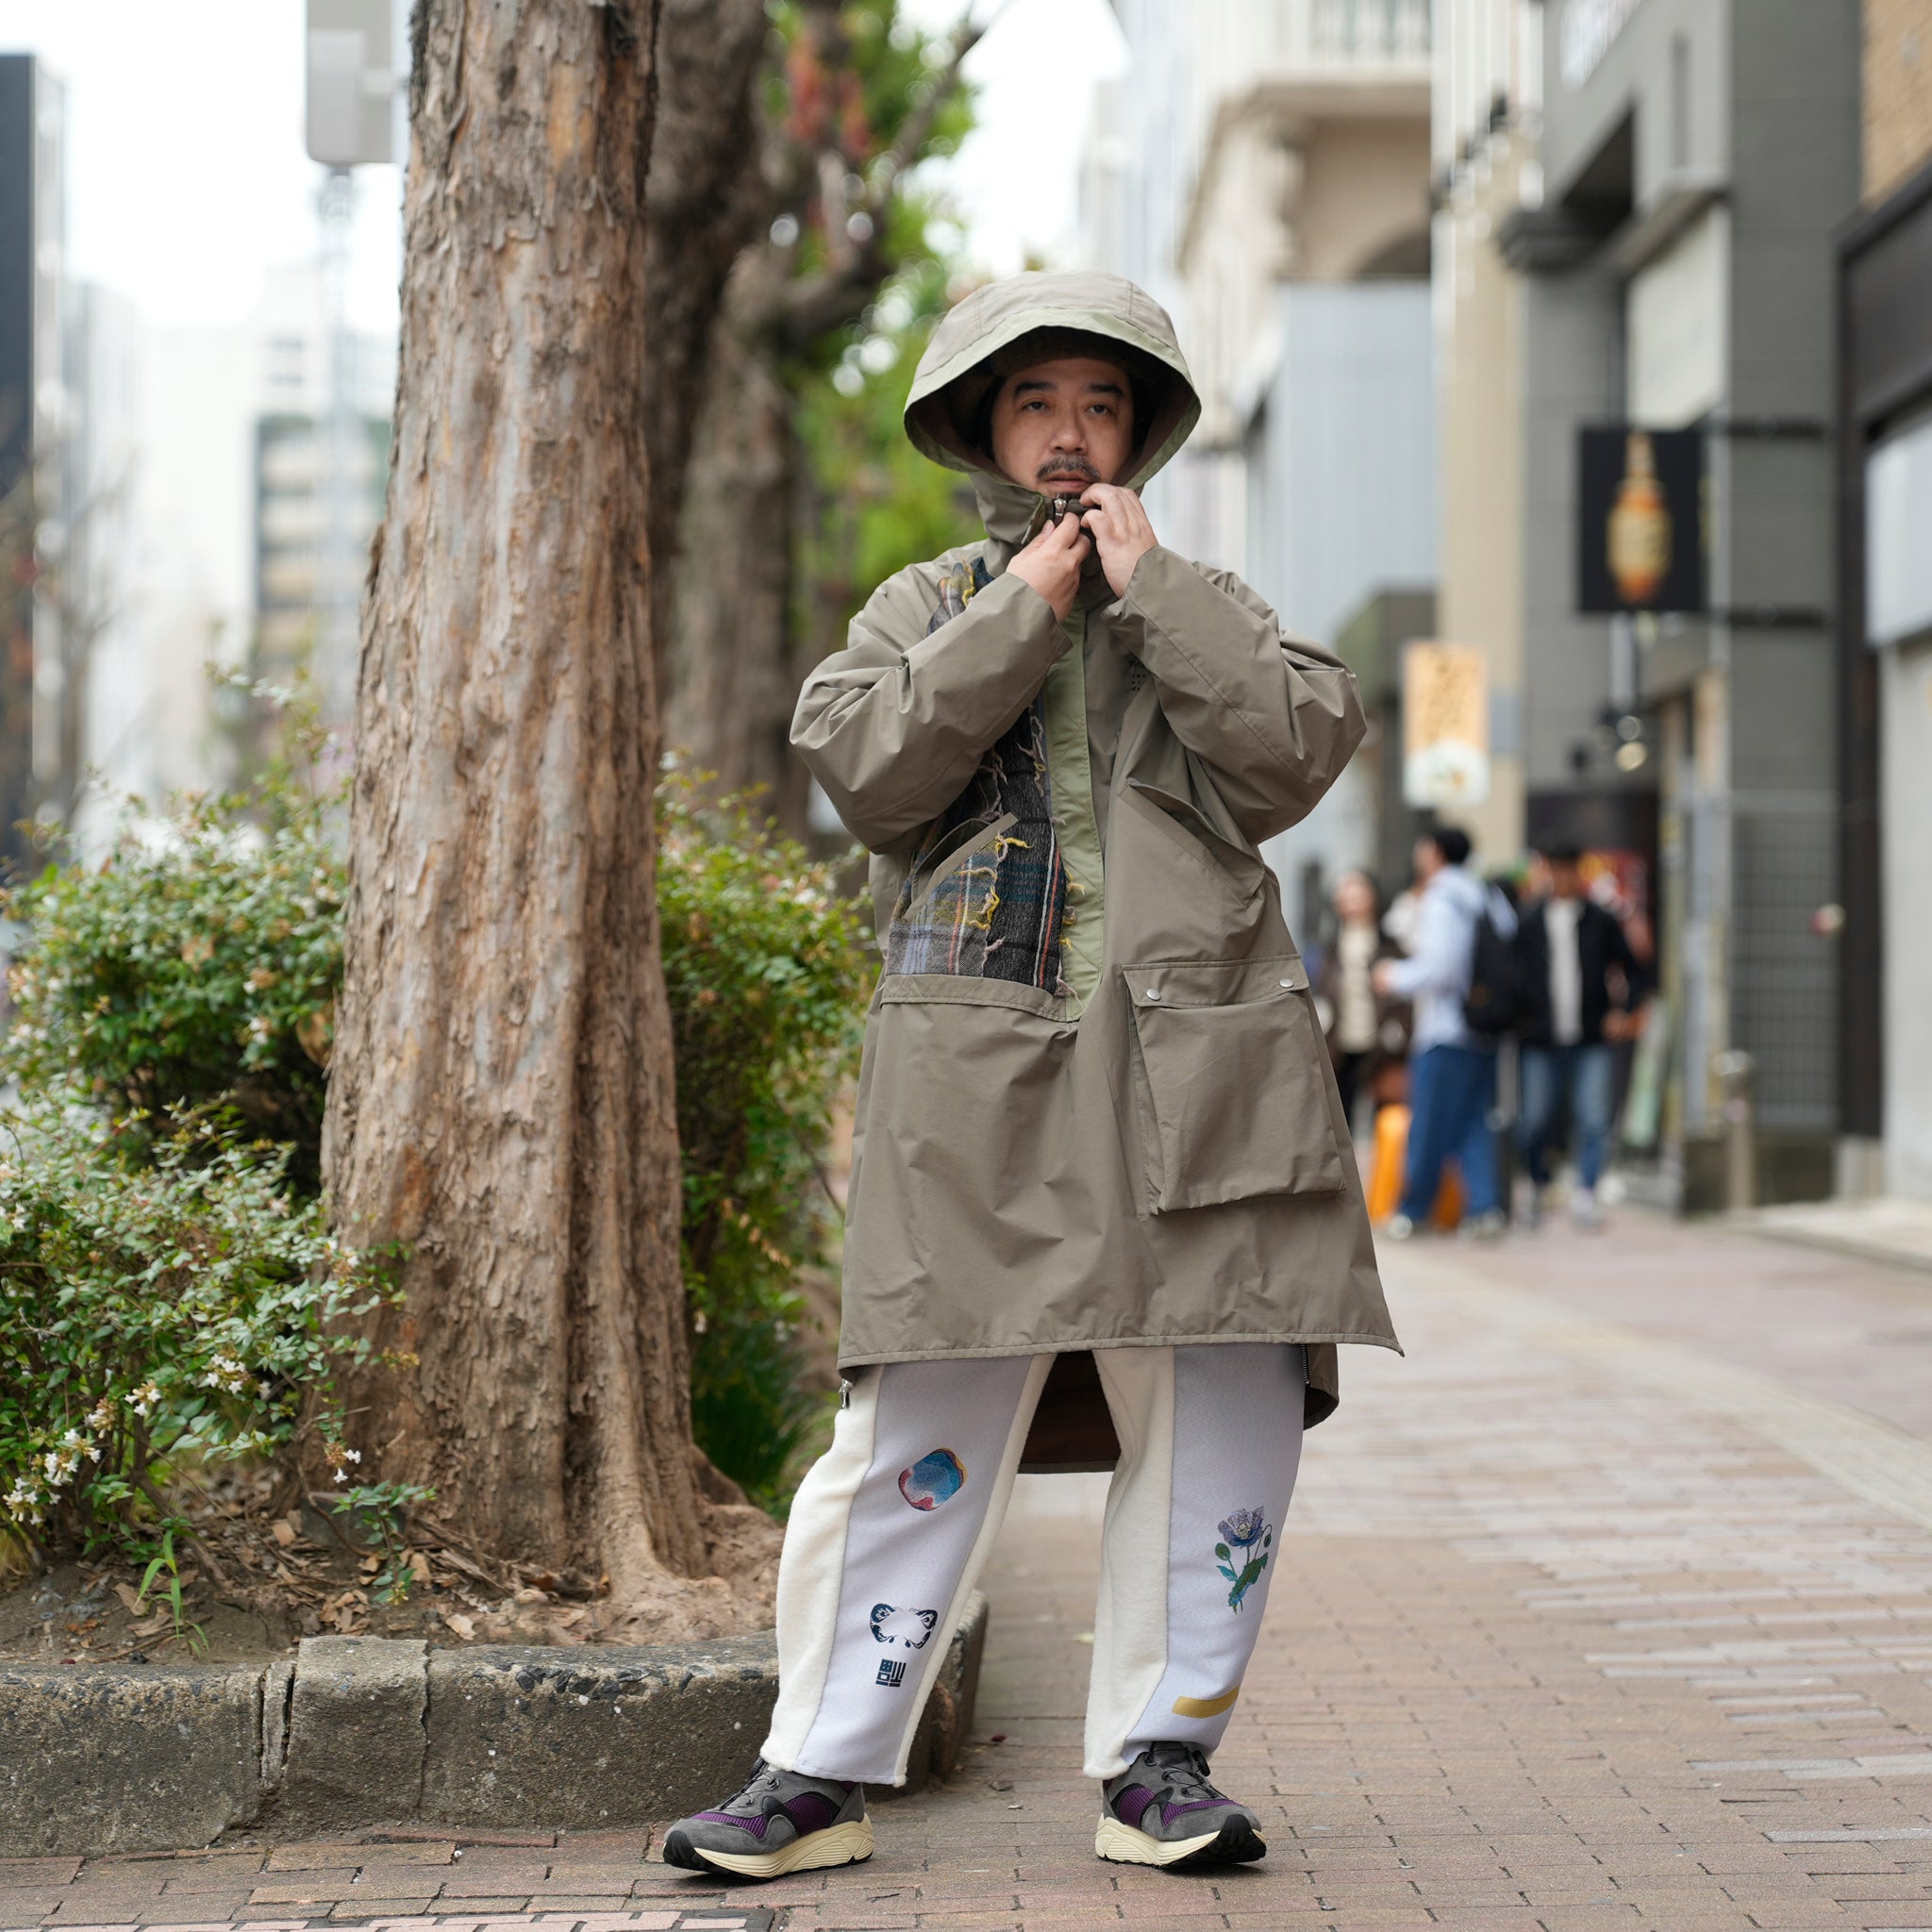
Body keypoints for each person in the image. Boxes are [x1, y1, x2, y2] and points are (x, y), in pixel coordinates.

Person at [661, 272, 1397, 1883]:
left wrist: (1155, 600)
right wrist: (1027, 611)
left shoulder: (1205, 599)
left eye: (1101, 406)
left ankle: (1161, 1756)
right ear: (983, 430)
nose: (1070, 440)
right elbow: (864, 767)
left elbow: (1291, 747)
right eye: (1035, 404)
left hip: (1204, 1072)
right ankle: (815, 1767)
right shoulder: (919, 608)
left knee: (1216, 1402)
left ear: (1140, 433)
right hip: (974, 1074)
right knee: (916, 1412)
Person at [1372, 826, 1511, 1240]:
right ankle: (1486, 1210)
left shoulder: (1441, 897)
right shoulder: (1488, 894)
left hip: (1446, 1029)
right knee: (1473, 1122)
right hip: (1485, 1027)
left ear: (1433, 851)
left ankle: (1414, 1211)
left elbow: (1440, 968)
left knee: (1429, 1124)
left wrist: (1392, 976)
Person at [1515, 844, 1650, 1228]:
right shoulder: (1529, 921)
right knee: (1534, 1119)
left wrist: (1622, 1011)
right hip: (1541, 1040)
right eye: (1555, 870)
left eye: (1569, 870)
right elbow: (1514, 978)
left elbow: (1637, 971)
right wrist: (1521, 1019)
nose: (1562, 878)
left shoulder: (1600, 920)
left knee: (1592, 1118)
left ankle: (1586, 1192)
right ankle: (1537, 1185)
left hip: (1591, 1039)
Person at [1314, 869, 1400, 1134]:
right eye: (1345, 893)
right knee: (1340, 1119)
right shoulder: (1328, 949)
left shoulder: (1389, 945)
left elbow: (1402, 996)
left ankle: (1381, 1175)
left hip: (1382, 1043)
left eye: (1357, 892)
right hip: (1340, 1043)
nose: (1350, 899)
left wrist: (1399, 1031)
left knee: (1385, 1120)